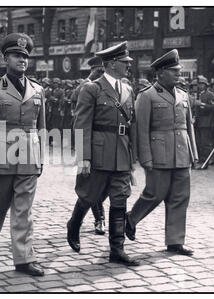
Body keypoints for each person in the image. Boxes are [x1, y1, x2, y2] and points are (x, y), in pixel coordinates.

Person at [0, 33, 46, 276]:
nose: (22, 60)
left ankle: (23, 259)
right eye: (17, 55)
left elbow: (42, 127)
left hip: (29, 155)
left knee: (23, 210)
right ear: (5, 58)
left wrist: (41, 159)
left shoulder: (38, 89)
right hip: (2, 155)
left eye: (25, 57)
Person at [68, 41, 139, 266]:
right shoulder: (92, 89)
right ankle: (74, 223)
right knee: (89, 195)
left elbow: (131, 125)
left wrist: (133, 156)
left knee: (120, 199)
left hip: (122, 153)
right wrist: (84, 158)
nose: (128, 65)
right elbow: (81, 125)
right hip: (99, 152)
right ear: (111, 64)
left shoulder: (127, 89)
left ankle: (116, 250)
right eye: (124, 62)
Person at [125, 49, 197, 256]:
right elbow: (141, 129)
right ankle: (131, 219)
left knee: (180, 197)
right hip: (159, 154)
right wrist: (145, 157)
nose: (178, 74)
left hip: (182, 153)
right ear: (161, 73)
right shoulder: (146, 96)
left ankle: (175, 241)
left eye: (179, 70)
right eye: (174, 71)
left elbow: (188, 126)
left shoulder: (183, 95)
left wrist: (194, 153)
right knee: (154, 194)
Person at [70, 55, 106, 236]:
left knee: (102, 184)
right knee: (90, 182)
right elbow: (74, 105)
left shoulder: (106, 87)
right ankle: (99, 218)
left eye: (101, 70)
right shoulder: (84, 87)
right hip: (86, 138)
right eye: (97, 71)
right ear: (92, 71)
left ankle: (92, 216)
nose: (100, 73)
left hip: (103, 140)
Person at [194, 75, 214, 169]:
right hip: (198, 122)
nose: (200, 86)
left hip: (206, 122)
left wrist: (202, 104)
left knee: (205, 143)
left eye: (202, 84)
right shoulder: (198, 94)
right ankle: (201, 160)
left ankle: (206, 162)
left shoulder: (210, 94)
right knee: (198, 142)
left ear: (205, 85)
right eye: (199, 84)